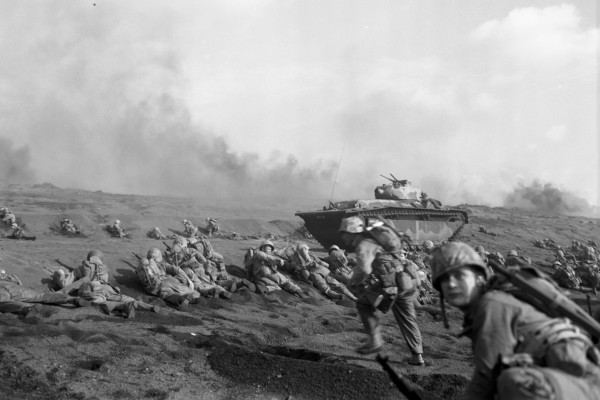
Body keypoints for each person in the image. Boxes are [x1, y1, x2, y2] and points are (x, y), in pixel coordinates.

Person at [430, 242, 600, 400]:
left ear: (479, 278)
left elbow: (486, 377)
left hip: (587, 385)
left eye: (459, 275)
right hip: (569, 383)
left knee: (514, 381)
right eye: (444, 279)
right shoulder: (484, 308)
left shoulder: (492, 304)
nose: (451, 284)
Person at [339, 216, 424, 365]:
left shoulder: (364, 245)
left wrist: (352, 282)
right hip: (407, 280)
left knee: (363, 305)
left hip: (390, 285)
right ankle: (418, 356)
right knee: (407, 319)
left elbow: (364, 269)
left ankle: (375, 341)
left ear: (353, 232)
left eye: (344, 233)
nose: (343, 236)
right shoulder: (380, 241)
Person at [290, 242, 357, 301]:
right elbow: (323, 264)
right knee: (330, 286)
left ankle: (345, 296)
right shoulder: (305, 257)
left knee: (331, 285)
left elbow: (322, 263)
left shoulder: (311, 256)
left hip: (321, 271)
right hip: (320, 271)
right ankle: (345, 296)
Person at [136, 248, 200, 308]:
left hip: (160, 285)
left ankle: (182, 299)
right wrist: (188, 280)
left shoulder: (144, 268)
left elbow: (147, 283)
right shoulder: (162, 264)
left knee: (169, 294)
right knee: (188, 291)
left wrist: (143, 266)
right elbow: (176, 269)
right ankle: (191, 297)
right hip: (170, 280)